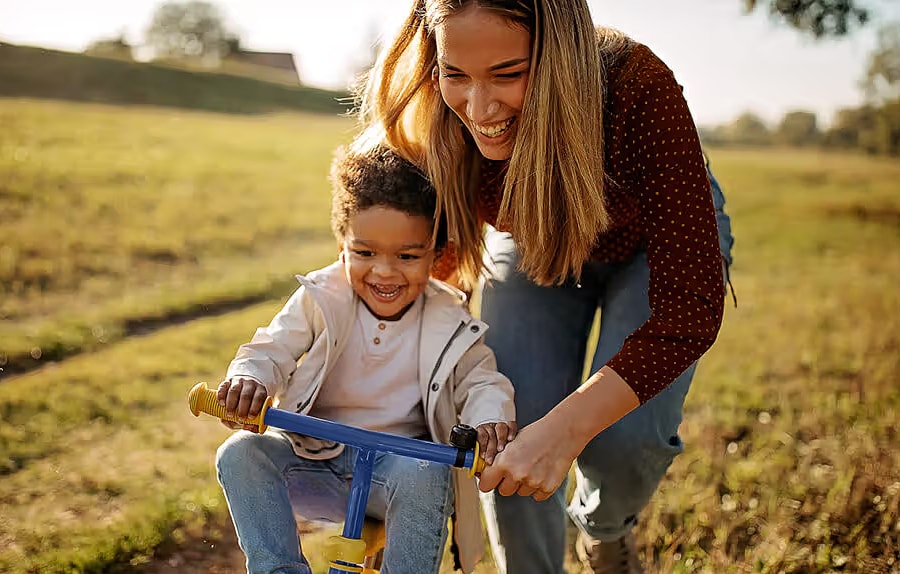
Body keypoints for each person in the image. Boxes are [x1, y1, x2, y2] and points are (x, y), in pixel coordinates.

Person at [355, 1, 735, 572]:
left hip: (649, 242)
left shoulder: (636, 88)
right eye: (456, 74)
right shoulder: (432, 117)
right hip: (534, 243)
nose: (478, 109)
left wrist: (565, 430)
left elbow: (688, 313)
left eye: (508, 73)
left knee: (621, 441)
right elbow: (423, 276)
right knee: (501, 429)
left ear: (561, 54)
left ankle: (606, 532)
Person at [214, 144, 517, 574]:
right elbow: (272, 348)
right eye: (366, 253)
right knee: (240, 453)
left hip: (396, 477)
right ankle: (277, 568)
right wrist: (251, 379)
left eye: (408, 256)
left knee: (428, 470)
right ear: (343, 244)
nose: (385, 272)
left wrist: (490, 417)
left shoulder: (449, 319)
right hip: (312, 458)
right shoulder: (322, 298)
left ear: (436, 253)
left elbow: (481, 382)